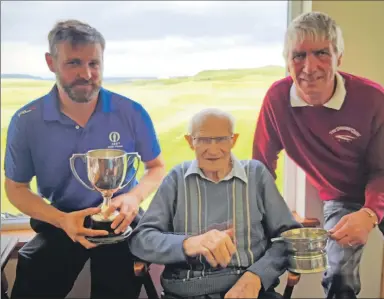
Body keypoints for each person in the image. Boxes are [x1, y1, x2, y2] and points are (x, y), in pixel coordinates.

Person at [4, 20, 165, 299]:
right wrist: (61, 220)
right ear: (50, 62)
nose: (86, 74)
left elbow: (156, 167)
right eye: (73, 63)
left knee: (120, 285)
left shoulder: (131, 112)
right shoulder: (26, 121)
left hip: (120, 220)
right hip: (59, 220)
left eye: (94, 63)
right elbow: (15, 187)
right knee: (33, 277)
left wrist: (134, 198)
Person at [252, 11, 384, 298]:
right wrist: (272, 213)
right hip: (340, 196)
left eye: (321, 52)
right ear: (287, 60)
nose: (309, 67)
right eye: (298, 55)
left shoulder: (373, 97)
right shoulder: (276, 99)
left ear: (339, 57)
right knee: (337, 275)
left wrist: (370, 214)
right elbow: (262, 166)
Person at [129, 108, 302, 299]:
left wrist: (257, 276)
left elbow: (291, 238)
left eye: (221, 139)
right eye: (203, 140)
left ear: (233, 140)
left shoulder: (256, 175)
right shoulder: (177, 178)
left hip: (250, 290)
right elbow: (141, 240)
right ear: (190, 141)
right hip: (185, 292)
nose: (212, 150)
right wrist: (188, 244)